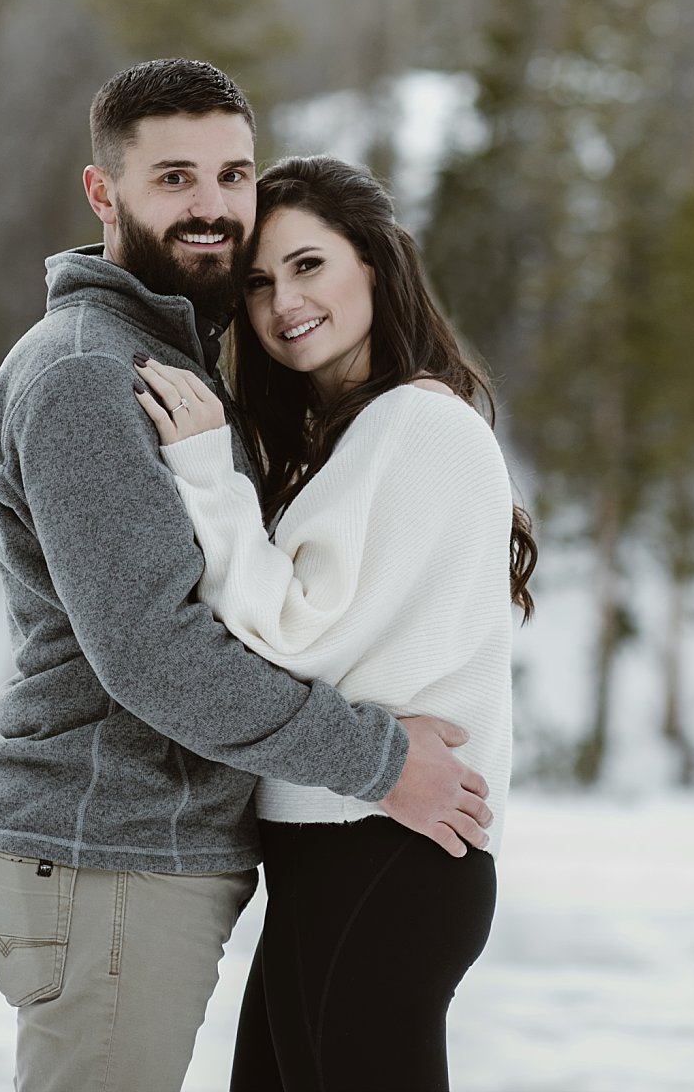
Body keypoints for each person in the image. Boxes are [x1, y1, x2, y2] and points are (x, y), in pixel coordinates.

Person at [0, 60, 493, 1092]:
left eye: (231, 173)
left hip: (148, 848)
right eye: (173, 177)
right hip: (106, 842)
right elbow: (153, 652)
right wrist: (379, 758)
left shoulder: (168, 361)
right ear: (102, 192)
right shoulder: (89, 373)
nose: (211, 205)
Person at [134, 153, 536, 1092]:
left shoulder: (417, 426)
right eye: (262, 282)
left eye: (309, 265)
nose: (282, 304)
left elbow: (293, 636)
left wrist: (204, 474)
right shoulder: (349, 441)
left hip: (389, 849)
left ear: (374, 263)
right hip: (331, 848)